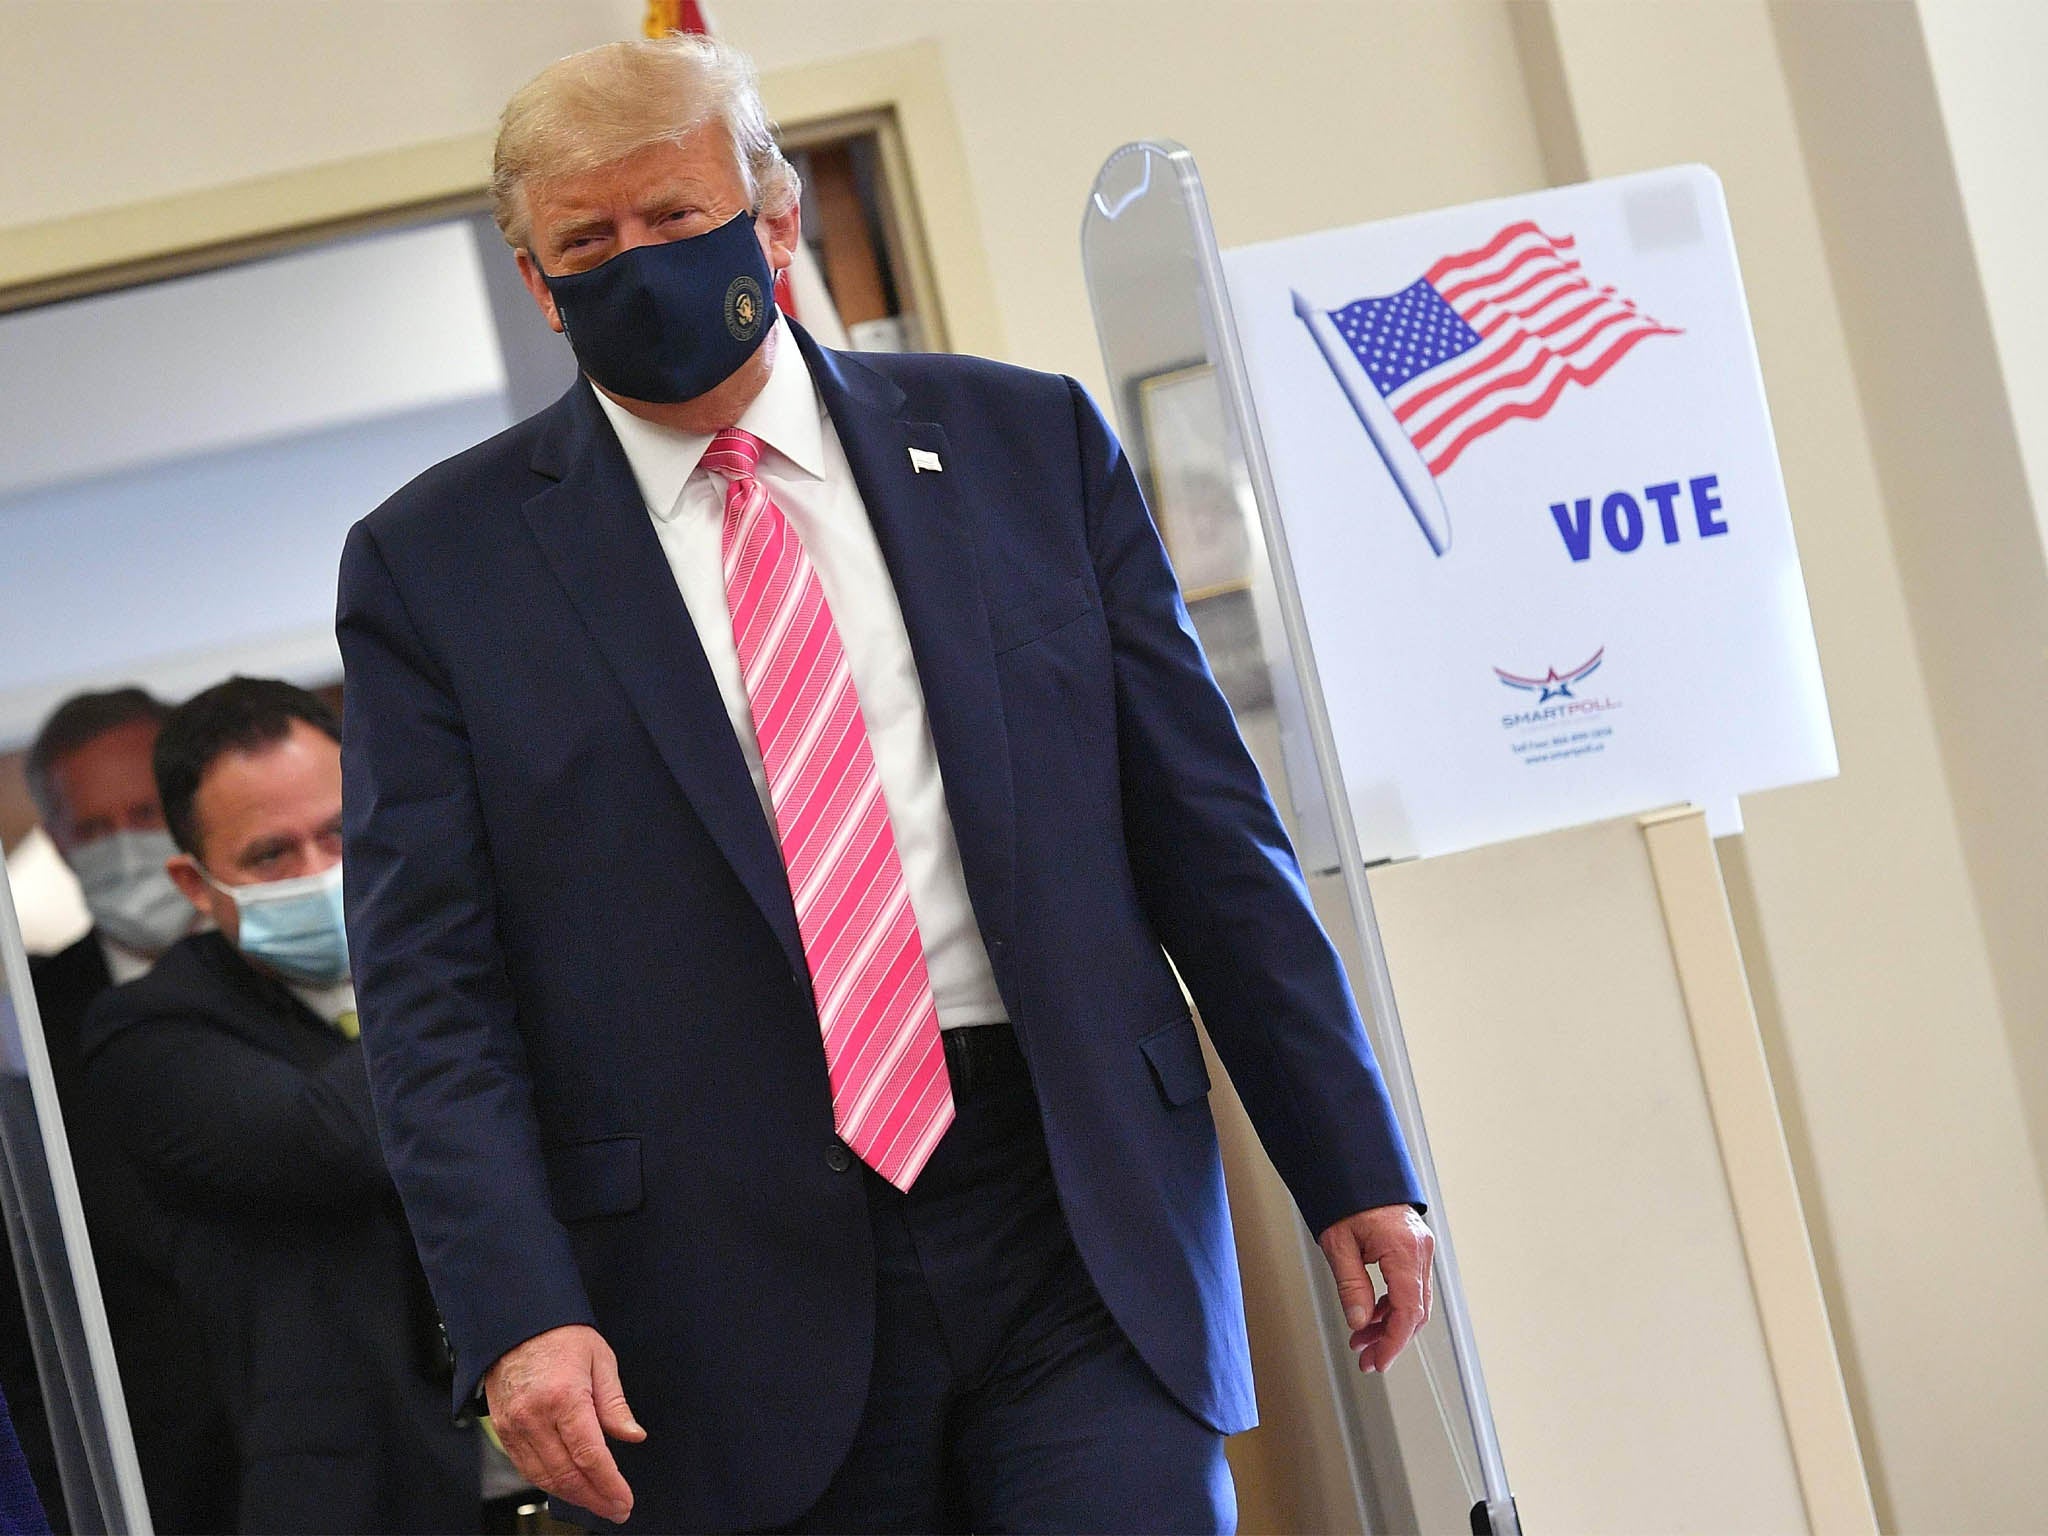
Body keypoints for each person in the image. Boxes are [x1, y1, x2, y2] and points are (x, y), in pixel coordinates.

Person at [338, 33, 1435, 1536]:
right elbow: (429, 992)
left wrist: (1348, 1156)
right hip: (722, 1283)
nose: (635, 262)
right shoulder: (436, 566)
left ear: (773, 218)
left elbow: (1208, 835)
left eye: (672, 216)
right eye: (584, 242)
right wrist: (517, 1310)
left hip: (1074, 1204)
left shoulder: (1020, 442)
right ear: (536, 286)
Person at [80, 679, 478, 1535]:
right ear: (194, 882)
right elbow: (340, 1140)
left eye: (341, 833)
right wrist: (433, 939)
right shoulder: (147, 1035)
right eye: (271, 855)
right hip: (372, 1495)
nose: (321, 872)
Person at [16, 689, 234, 1531]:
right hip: (151, 1484)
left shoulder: (318, 956)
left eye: (144, 812)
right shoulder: (25, 1027)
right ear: (59, 840)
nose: (125, 846)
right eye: (94, 828)